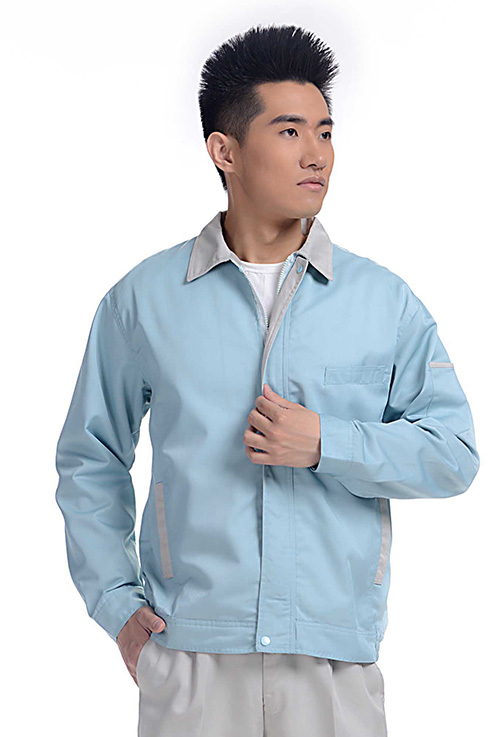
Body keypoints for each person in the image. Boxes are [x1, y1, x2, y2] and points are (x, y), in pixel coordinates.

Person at [55, 23, 480, 737]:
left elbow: (453, 453)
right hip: (192, 661)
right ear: (225, 151)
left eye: (325, 131)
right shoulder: (143, 301)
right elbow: (89, 460)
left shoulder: (384, 303)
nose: (317, 154)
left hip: (333, 665)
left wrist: (326, 443)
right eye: (289, 131)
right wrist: (117, 606)